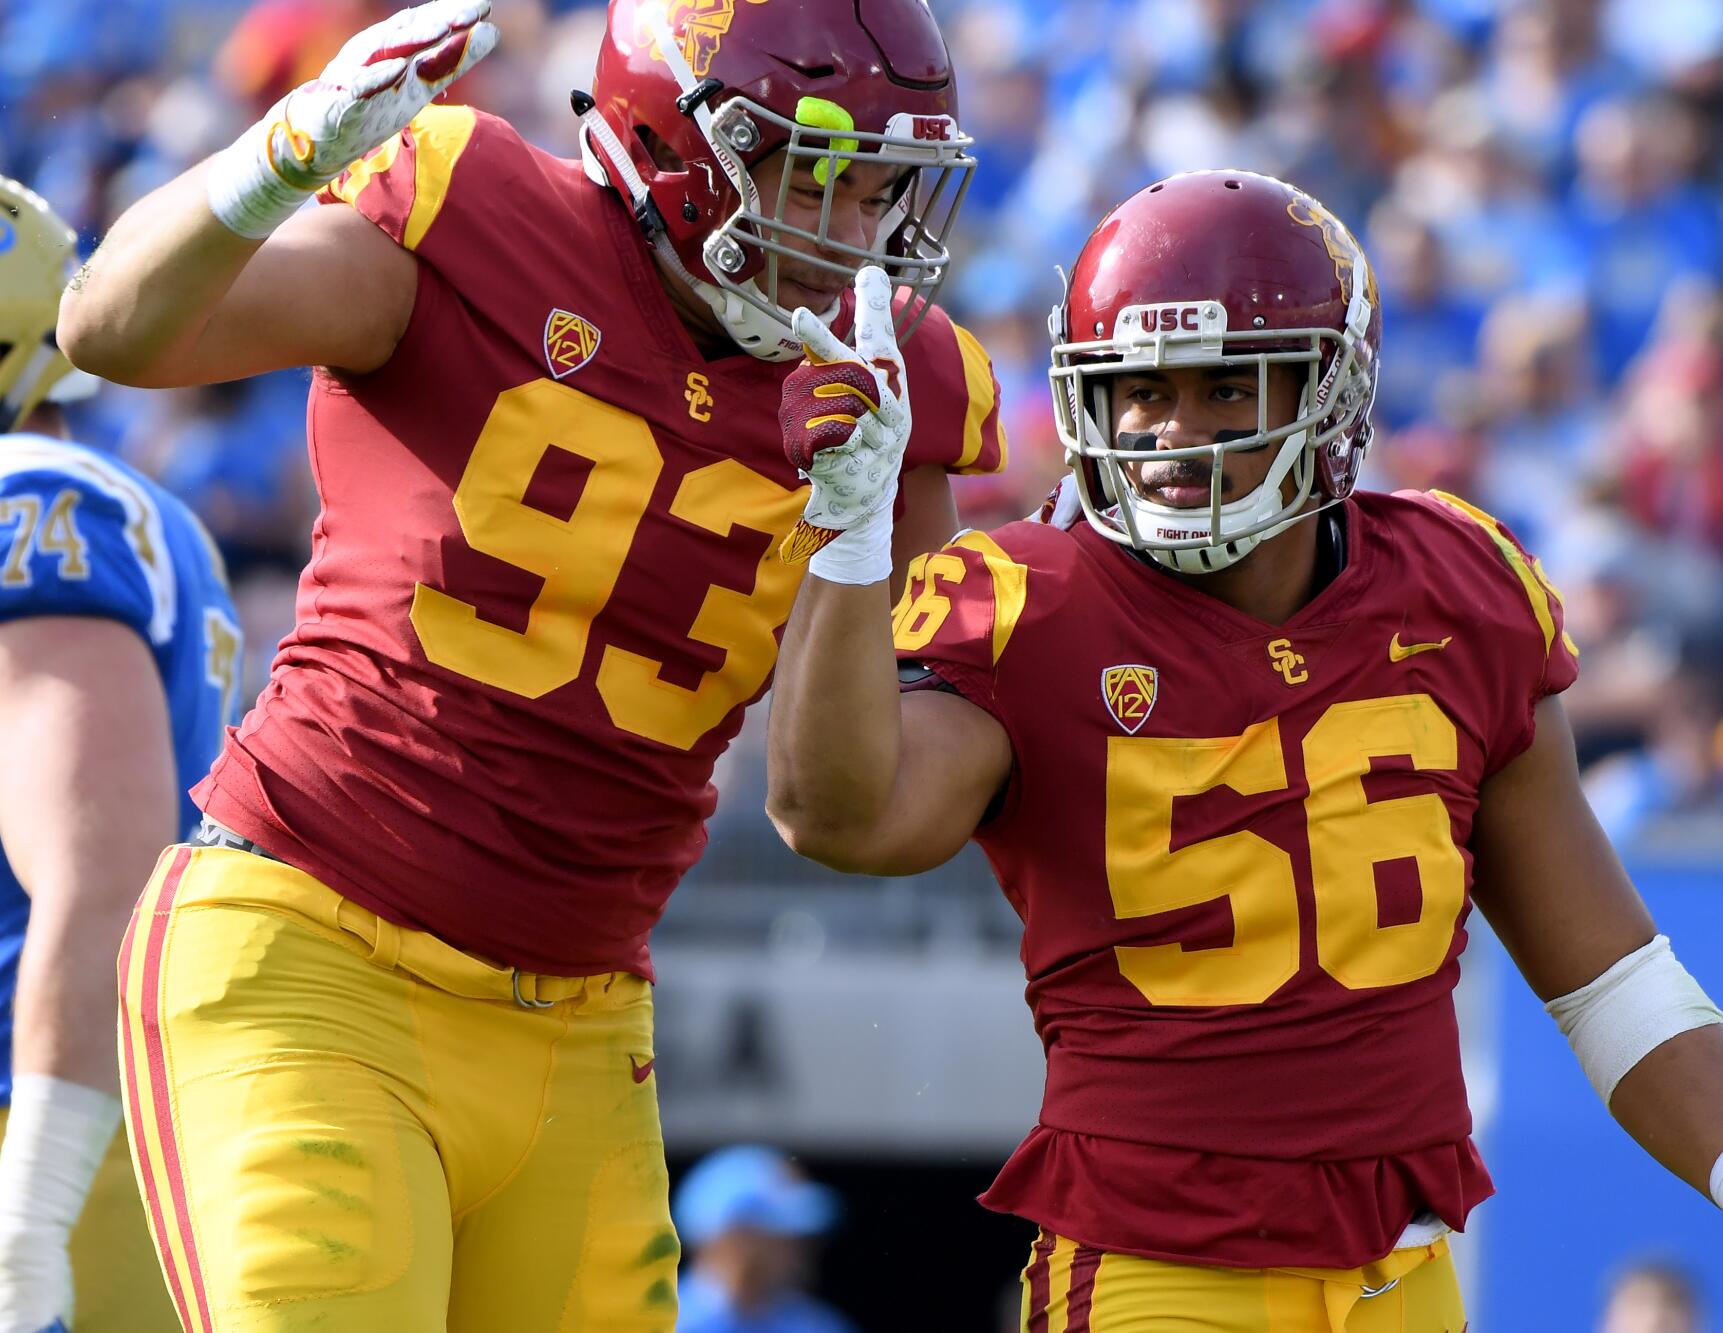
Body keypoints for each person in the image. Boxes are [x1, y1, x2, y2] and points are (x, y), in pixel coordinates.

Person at [763, 171, 1723, 1332]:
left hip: (1402, 1273)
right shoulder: (1030, 604)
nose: (1168, 433)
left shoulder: (1457, 588)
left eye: (1219, 389)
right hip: (1156, 1268)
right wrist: (846, 534)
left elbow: (1604, 975)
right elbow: (843, 816)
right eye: (1138, 390)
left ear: (1327, 390)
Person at [55, 0, 1002, 1325]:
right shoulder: (476, 214)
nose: (854, 236)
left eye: (883, 189)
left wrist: (851, 533)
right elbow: (109, 330)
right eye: (817, 174)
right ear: (678, 141)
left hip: (576, 1025)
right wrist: (280, 152)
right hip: (314, 952)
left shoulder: (892, 384)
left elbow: (840, 808)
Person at [0, 177, 241, 1333]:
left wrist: (26, 1216)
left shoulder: (30, 498)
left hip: (38, 1112)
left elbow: (100, 874)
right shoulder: (121, 504)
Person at [672, 1146, 853, 1333]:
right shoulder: (659, 1322)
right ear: (733, 1237)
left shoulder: (819, 1325)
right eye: (778, 1231)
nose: (800, 1245)